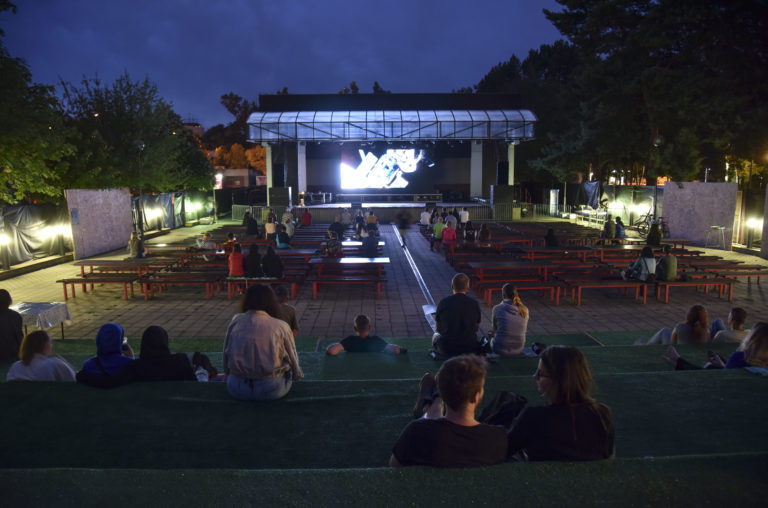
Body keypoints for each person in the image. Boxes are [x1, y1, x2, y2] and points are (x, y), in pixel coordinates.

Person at [390, 355, 508, 467]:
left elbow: (394, 465)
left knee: (430, 416)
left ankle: (434, 404)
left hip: (431, 430)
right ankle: (433, 405)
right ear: (475, 397)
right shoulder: (498, 438)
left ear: (444, 394)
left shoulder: (415, 432)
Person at [506, 346, 615, 461]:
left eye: (540, 374)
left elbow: (503, 450)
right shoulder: (601, 413)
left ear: (558, 381)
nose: (535, 376)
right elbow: (608, 454)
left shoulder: (533, 417)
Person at [223, 285, 303, 400]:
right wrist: (296, 375)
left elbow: (226, 353)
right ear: (272, 301)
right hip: (271, 390)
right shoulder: (281, 326)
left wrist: (229, 373)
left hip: (237, 388)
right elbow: (293, 359)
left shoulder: (236, 321)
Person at [663, 322, 768, 371]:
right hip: (735, 370)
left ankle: (679, 363)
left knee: (709, 367)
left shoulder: (739, 357)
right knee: (715, 361)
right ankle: (679, 362)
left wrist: (721, 366)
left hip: (725, 379)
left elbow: (724, 377)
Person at [432, 274, 482, 356]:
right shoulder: (474, 304)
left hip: (448, 347)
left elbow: (438, 328)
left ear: (452, 286)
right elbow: (476, 327)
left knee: (435, 336)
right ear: (467, 287)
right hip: (470, 347)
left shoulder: (443, 302)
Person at [6, 331, 76, 382]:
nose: (51, 345)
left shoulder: (16, 367)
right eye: (50, 342)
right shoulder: (55, 364)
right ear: (45, 345)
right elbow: (73, 382)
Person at [326, 315, 404, 355]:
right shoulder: (375, 340)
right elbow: (396, 350)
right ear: (369, 327)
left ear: (355, 328)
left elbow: (331, 351)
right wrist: (401, 349)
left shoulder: (350, 341)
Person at [490, 284, 529, 357]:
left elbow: (494, 329)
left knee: (493, 337)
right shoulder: (524, 309)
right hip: (518, 349)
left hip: (500, 349)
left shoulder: (497, 308)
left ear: (503, 295)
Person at [644, 304, 710, 345]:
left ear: (689, 315)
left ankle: (647, 345)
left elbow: (672, 344)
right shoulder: (706, 331)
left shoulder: (680, 327)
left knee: (664, 331)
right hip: (694, 355)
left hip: (679, 354)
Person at [0, 289, 23, 362]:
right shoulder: (16, 316)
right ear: (9, 300)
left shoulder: (15, 316)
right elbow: (19, 336)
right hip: (13, 353)